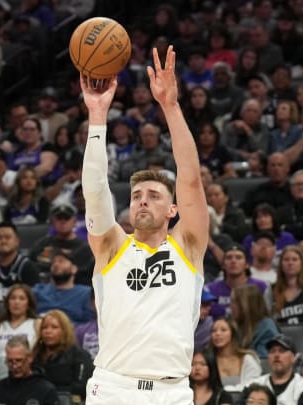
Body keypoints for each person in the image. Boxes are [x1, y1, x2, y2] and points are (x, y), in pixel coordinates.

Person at [81, 45, 209, 404]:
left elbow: (191, 180)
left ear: (173, 210)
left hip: (172, 392)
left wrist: (170, 105)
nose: (142, 200)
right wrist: (97, 118)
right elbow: (94, 190)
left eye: (153, 195)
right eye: (137, 195)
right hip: (113, 389)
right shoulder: (112, 246)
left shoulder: (188, 246)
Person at [31, 309, 93, 402]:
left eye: (54, 327)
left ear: (65, 331)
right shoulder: (34, 355)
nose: (48, 331)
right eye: (44, 327)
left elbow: (83, 386)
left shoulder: (79, 355)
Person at [244, 334, 303, 405]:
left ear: (293, 358)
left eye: (282, 351)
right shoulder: (252, 385)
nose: (276, 355)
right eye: (272, 351)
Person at [0, 336, 59, 405]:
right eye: (10, 361)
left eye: (19, 360)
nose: (14, 366)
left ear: (30, 358)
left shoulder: (46, 390)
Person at [265, 246, 303, 325]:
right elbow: (265, 322)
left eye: (295, 259)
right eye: (286, 260)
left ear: (302, 263)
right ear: (281, 264)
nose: (290, 263)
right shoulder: (271, 291)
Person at [206, 245, 268, 318]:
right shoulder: (210, 290)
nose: (233, 261)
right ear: (223, 265)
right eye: (229, 258)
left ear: (247, 264)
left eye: (238, 257)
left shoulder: (261, 287)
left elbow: (266, 315)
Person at [32, 250, 93, 324]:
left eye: (61, 261)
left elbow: (89, 325)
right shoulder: (38, 290)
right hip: (40, 330)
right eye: (53, 262)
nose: (56, 264)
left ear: (74, 269)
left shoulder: (86, 293)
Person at [0, 284, 41, 355]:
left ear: (29, 304)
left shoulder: (37, 324)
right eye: (13, 298)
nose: (16, 302)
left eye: (22, 298)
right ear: (8, 303)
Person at [209, 318, 262, 390]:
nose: (217, 334)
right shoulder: (208, 360)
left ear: (233, 334)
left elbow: (253, 386)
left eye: (223, 330)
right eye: (214, 331)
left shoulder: (247, 359)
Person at [230, 284, 279, 358]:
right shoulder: (233, 325)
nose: (230, 306)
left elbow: (263, 360)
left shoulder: (267, 328)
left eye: (234, 302)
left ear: (246, 305)